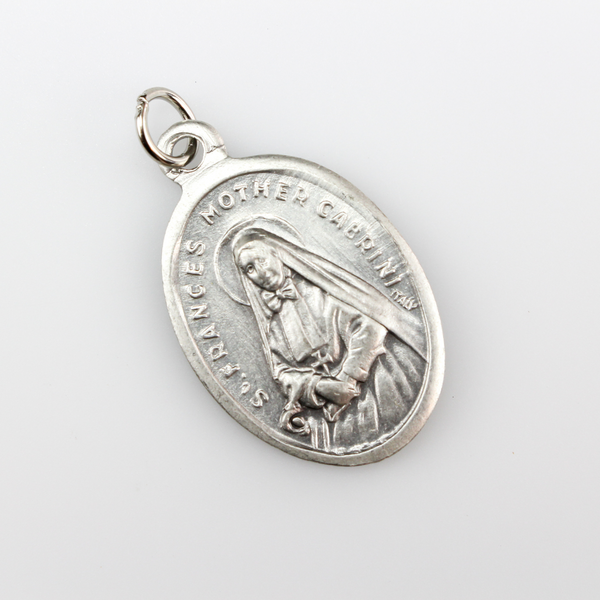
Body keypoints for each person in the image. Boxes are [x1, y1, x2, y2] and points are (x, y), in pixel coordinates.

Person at [232, 227, 426, 453]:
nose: (261, 272)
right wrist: (319, 386)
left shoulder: (323, 291)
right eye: (250, 269)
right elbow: (282, 372)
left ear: (277, 255)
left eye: (261, 260)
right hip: (325, 415)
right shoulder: (273, 325)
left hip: (371, 393)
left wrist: (347, 378)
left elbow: (370, 326)